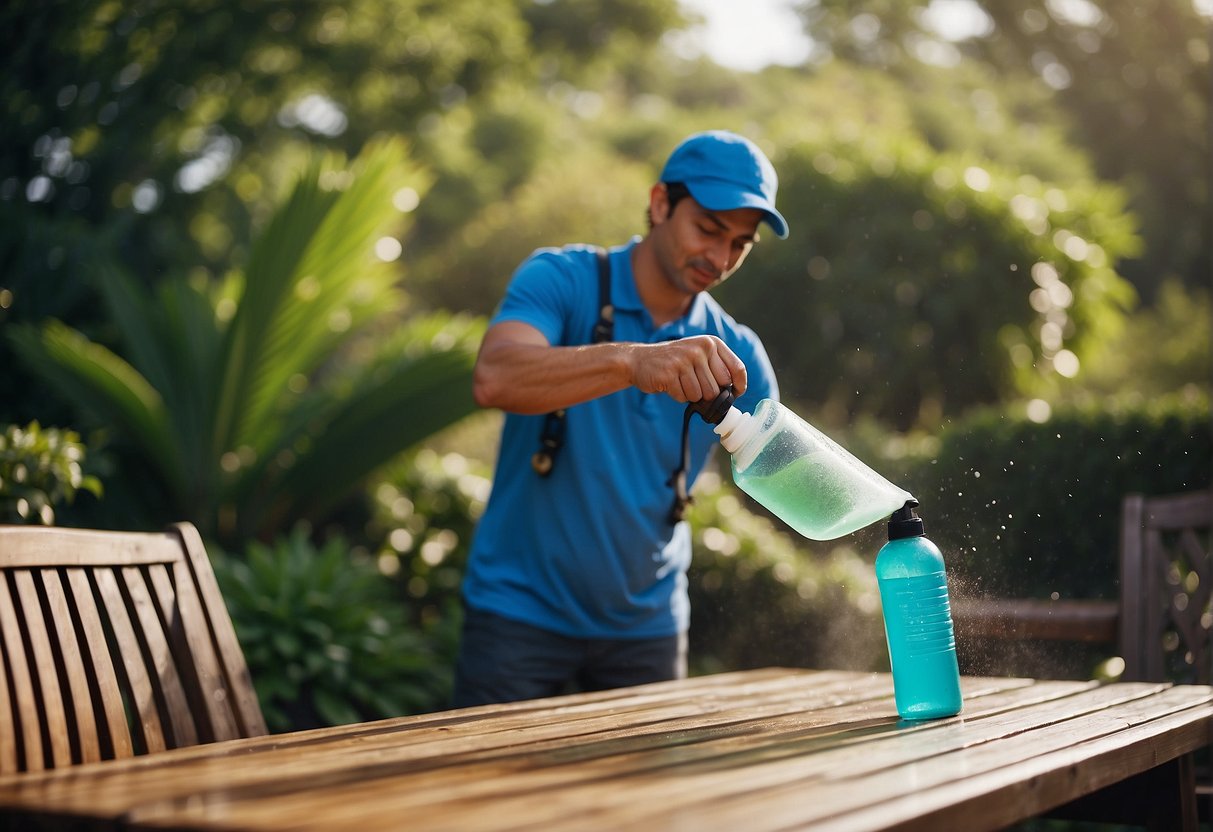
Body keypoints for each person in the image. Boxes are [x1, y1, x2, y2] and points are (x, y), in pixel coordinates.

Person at [452, 130, 788, 707]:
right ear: (660, 203)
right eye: (708, 228)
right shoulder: (561, 279)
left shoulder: (738, 353)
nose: (719, 257)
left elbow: (785, 474)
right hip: (517, 616)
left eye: (740, 243)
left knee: (650, 800)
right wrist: (631, 360)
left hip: (647, 629)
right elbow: (496, 376)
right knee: (492, 796)